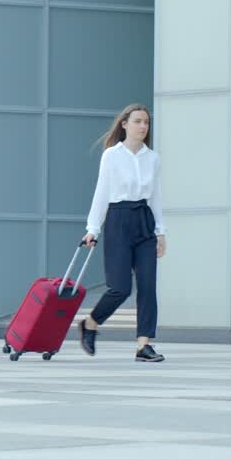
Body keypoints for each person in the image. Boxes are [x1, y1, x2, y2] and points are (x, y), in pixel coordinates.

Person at [79, 103, 167, 362]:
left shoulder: (153, 158)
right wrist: (92, 229)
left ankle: (144, 345)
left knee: (148, 286)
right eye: (138, 121)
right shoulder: (112, 155)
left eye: (146, 122)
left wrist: (161, 232)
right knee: (120, 288)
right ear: (124, 124)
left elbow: (156, 197)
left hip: (145, 221)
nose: (143, 126)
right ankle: (91, 323)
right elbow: (102, 193)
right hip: (118, 220)